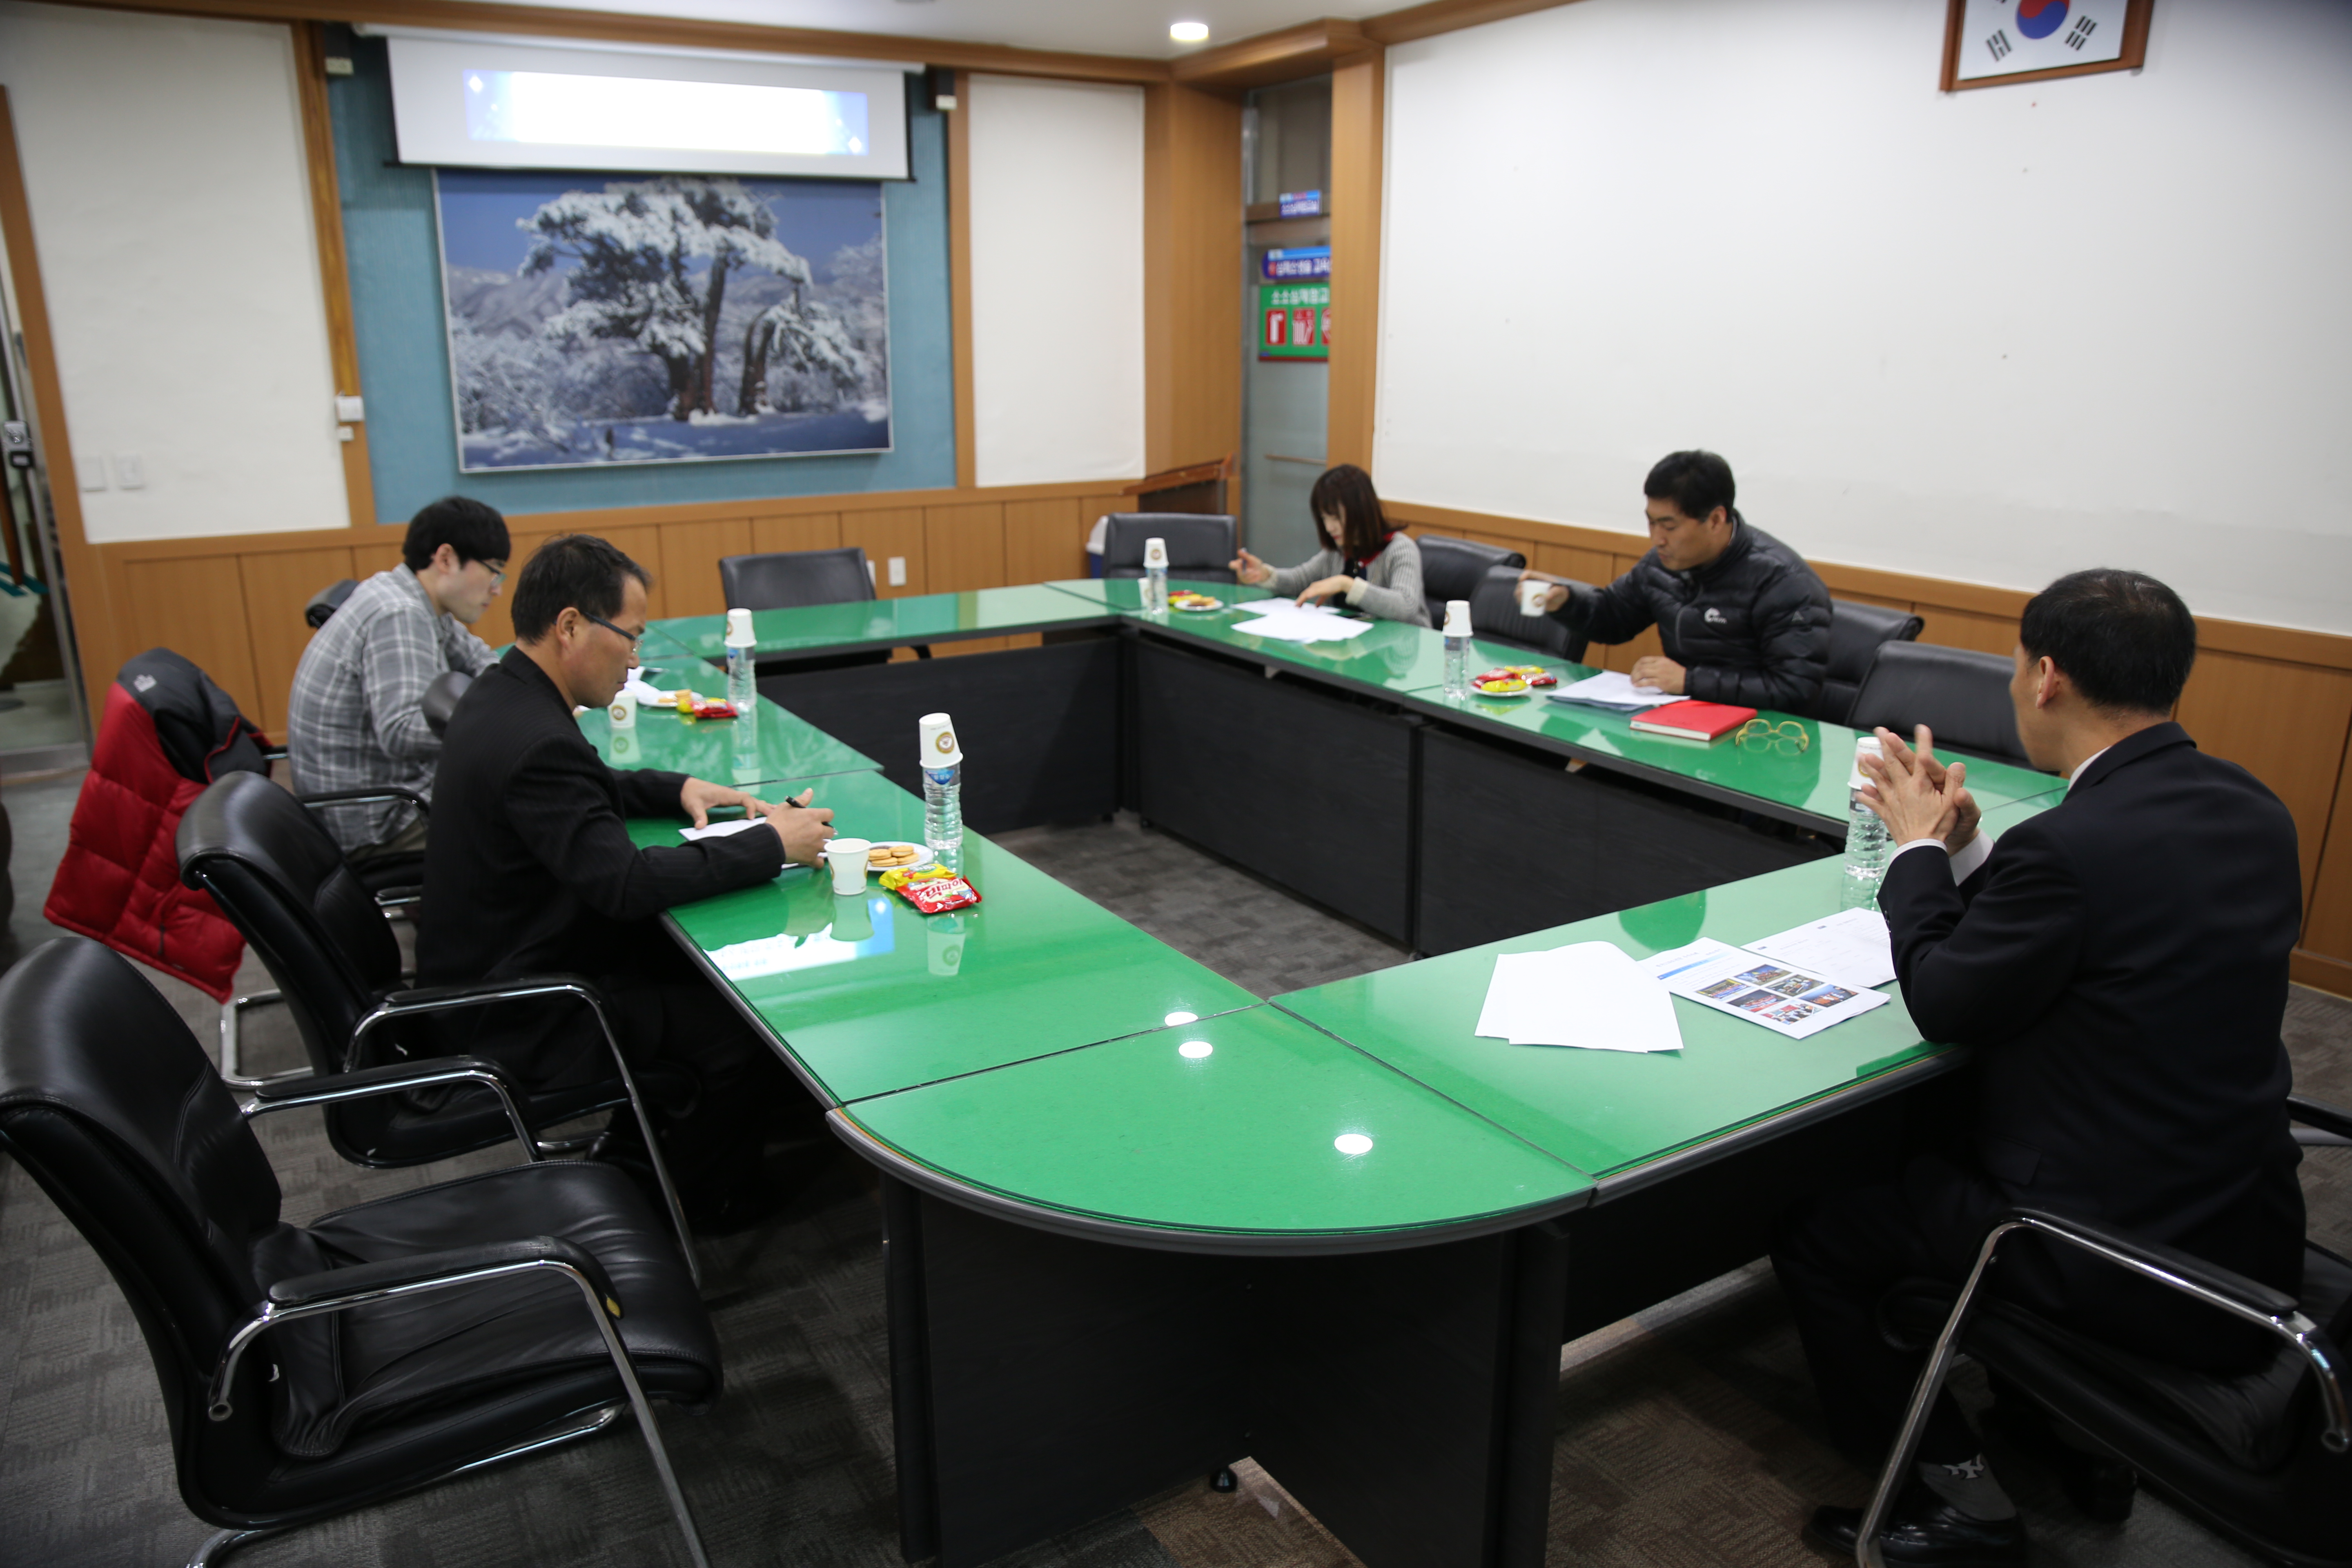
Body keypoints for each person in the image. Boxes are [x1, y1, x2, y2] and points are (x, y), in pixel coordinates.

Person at [1774, 568, 2305, 1565]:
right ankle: (2068, 1436)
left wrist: (1914, 852)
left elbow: (1946, 997)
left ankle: (1956, 1498)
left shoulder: (2070, 846)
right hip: (2243, 1221)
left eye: (2018, 665)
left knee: (1822, 1227)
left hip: (2106, 1247)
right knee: (1940, 1136)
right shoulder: (2253, 809)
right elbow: (2102, 944)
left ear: (2046, 676)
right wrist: (1969, 853)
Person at [417, 533, 838, 1233]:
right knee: (736, 1030)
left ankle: (645, 1151)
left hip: (493, 966)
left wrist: (677, 788)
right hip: (522, 1010)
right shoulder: (538, 740)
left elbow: (583, 787)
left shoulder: (503, 692)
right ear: (571, 626)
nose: (637, 658)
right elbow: (626, 884)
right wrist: (773, 842)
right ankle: (698, 1204)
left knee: (699, 973)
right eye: (632, 636)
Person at [1518, 450, 1829, 711]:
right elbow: (1613, 618)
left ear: (1716, 520)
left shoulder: (1783, 582)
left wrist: (1689, 681)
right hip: (1682, 717)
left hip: (1762, 737)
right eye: (1651, 523)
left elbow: (1795, 689)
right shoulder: (1662, 564)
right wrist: (1566, 602)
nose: (1657, 539)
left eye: (1669, 527)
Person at [287, 495, 509, 860]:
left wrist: (509, 700)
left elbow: (480, 659)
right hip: (379, 821)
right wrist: (496, 727)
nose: (497, 588)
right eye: (493, 571)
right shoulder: (398, 613)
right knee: (523, 818)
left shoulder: (411, 594)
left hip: (381, 794)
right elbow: (402, 731)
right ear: (446, 559)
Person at [1229, 463, 1430, 627]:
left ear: (1360, 511)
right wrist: (1265, 574)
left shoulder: (1401, 549)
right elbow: (1300, 580)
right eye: (1324, 518)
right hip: (1353, 647)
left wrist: (1347, 585)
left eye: (1335, 517)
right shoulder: (1338, 552)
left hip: (1399, 653)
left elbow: (1406, 606)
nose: (1329, 527)